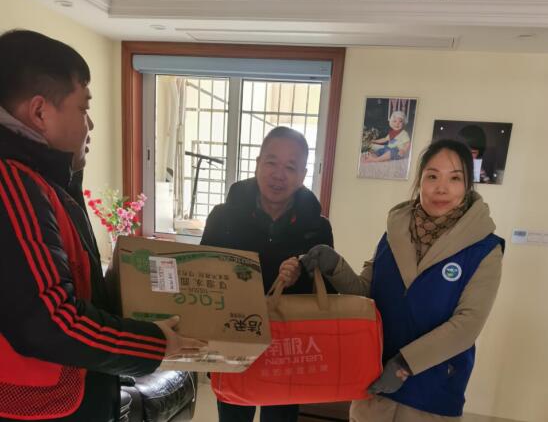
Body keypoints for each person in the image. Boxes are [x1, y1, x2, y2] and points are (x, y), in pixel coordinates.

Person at [0, 29, 205, 422]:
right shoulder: (13, 184)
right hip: (42, 407)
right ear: (40, 112)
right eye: (83, 108)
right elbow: (49, 321)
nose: (90, 125)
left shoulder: (46, 182)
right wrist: (153, 344)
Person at [299, 139, 504, 421]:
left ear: (468, 185)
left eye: (455, 178)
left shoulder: (484, 249)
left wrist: (404, 364)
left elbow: (466, 326)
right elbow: (366, 293)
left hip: (431, 395)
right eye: (432, 176)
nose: (441, 188)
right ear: (419, 181)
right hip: (374, 385)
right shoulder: (394, 234)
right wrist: (335, 266)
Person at [201, 126, 334, 422]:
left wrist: (301, 273)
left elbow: (326, 292)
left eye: (290, 167)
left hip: (289, 349)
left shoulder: (318, 228)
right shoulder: (223, 218)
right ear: (258, 163)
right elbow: (203, 276)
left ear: (303, 175)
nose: (278, 175)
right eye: (271, 162)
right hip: (232, 343)